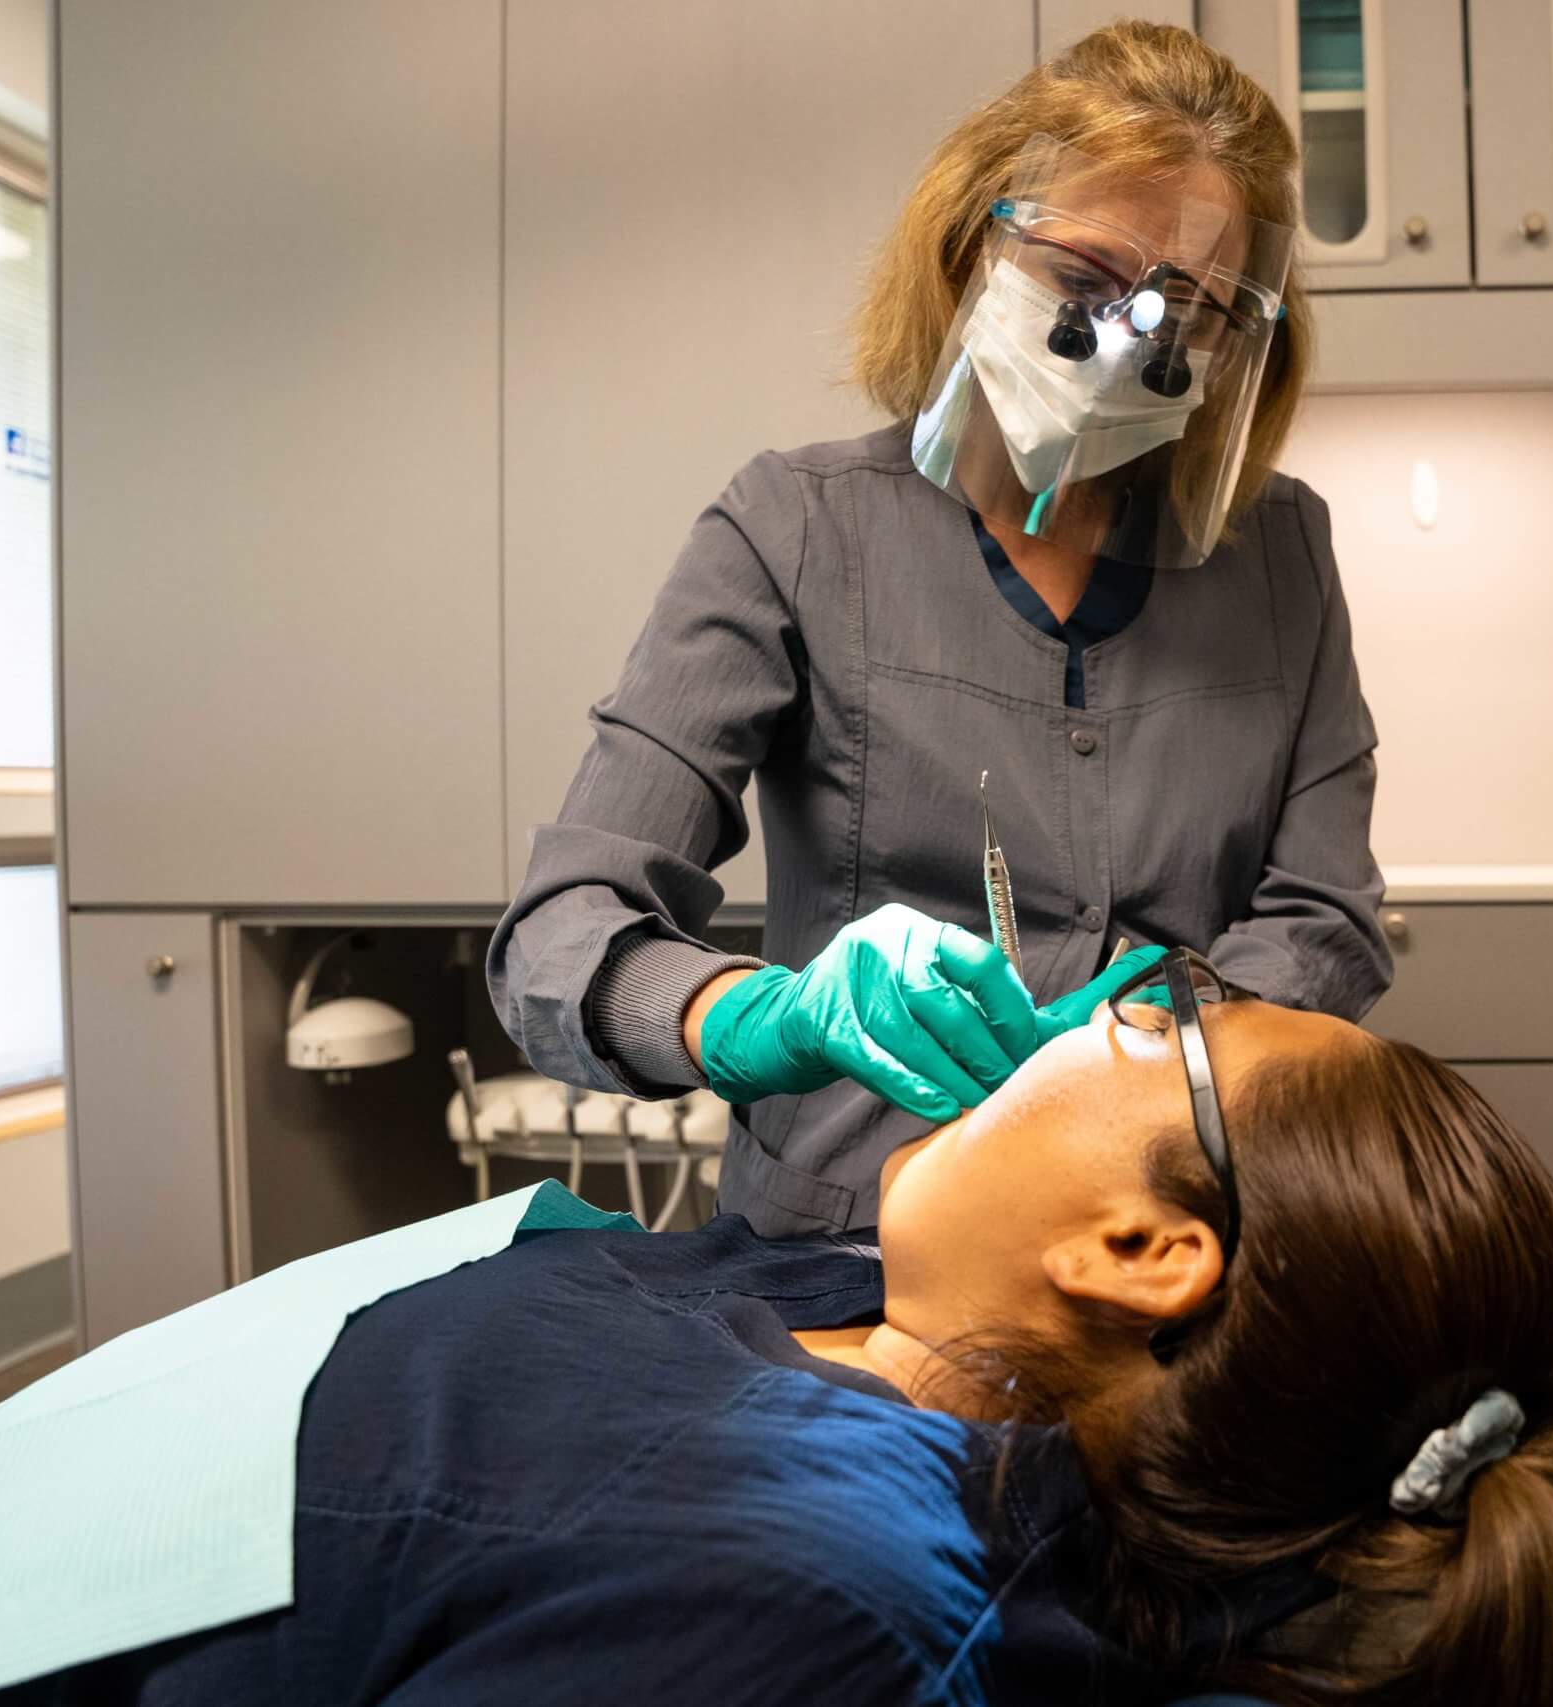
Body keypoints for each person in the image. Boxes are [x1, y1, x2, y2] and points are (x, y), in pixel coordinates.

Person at [0, 968, 1553, 1706]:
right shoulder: (857, 1302)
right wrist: (740, 1005)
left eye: (1162, 1018)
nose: (1089, 1005)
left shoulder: (798, 1598)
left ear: (1146, 1246)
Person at [490, 22, 1391, 1238]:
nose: (1124, 343)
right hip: (854, 1234)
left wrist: (1170, 1025)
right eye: (1082, 282)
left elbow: (1328, 917)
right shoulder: (794, 527)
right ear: (974, 248)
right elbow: (558, 935)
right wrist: (757, 1020)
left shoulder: (1276, 554)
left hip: (1166, 1214)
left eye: (1184, 309)